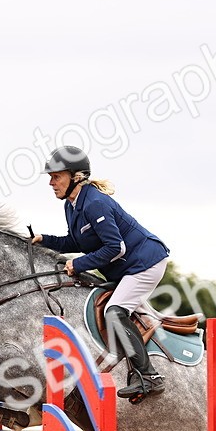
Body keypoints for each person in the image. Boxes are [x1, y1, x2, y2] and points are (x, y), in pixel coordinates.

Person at [32, 145, 170, 402]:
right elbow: (75, 242)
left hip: (145, 263)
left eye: (56, 176)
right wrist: (44, 240)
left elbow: (116, 248)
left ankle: (149, 376)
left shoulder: (95, 203)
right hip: (127, 266)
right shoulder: (72, 205)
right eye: (51, 177)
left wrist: (79, 264)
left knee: (114, 311)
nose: (51, 183)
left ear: (76, 177)